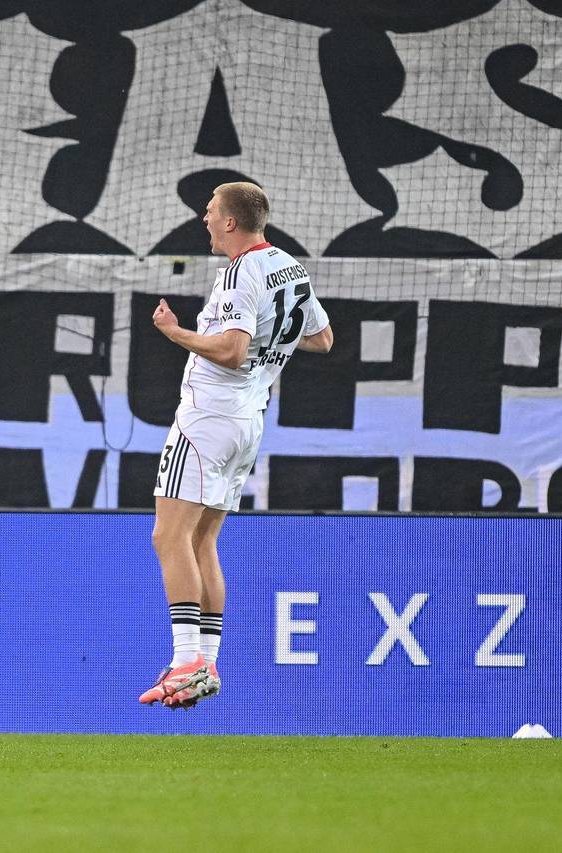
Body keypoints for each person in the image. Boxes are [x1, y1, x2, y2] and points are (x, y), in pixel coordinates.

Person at [139, 182, 333, 709]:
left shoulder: (241, 271)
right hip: (248, 421)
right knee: (202, 541)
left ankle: (185, 661)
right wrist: (272, 345)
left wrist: (174, 332)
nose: (204, 219)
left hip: (208, 419)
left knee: (168, 535)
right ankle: (206, 663)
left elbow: (230, 350)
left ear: (230, 221)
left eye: (210, 212)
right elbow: (321, 338)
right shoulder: (289, 266)